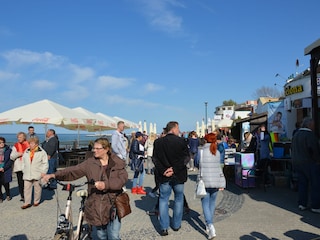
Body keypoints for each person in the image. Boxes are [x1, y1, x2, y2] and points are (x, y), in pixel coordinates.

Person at [42, 138, 128, 239]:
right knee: (101, 236)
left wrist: (106, 185)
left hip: (114, 204)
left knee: (113, 235)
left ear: (106, 149)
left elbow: (122, 180)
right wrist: (54, 175)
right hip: (96, 204)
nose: (94, 150)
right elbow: (73, 171)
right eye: (93, 148)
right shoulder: (90, 163)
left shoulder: (117, 162)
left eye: (97, 148)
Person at [152, 121, 190, 236]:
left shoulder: (158, 142)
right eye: (178, 129)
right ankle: (176, 224)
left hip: (164, 176)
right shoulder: (181, 141)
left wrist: (164, 170)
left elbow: (155, 159)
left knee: (163, 199)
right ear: (173, 129)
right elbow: (186, 158)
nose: (179, 131)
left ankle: (164, 227)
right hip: (178, 174)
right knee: (178, 198)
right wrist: (174, 169)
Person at [198, 133, 226, 239]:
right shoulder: (217, 152)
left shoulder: (201, 152)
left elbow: (197, 163)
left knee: (205, 204)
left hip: (204, 181)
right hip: (216, 181)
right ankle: (210, 223)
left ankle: (210, 225)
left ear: (205, 140)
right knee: (212, 203)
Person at [291, 117, 320, 213]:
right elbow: (314, 149)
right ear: (309, 125)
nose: (314, 126)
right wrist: (317, 160)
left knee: (302, 184)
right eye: (313, 124)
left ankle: (302, 204)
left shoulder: (296, 134)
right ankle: (315, 205)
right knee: (315, 184)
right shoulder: (309, 135)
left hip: (297, 162)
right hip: (309, 163)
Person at [21, 137, 48, 209]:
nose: (30, 145)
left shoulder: (42, 152)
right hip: (27, 173)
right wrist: (23, 169)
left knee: (37, 188)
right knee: (26, 188)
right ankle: (27, 202)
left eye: (32, 143)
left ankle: (36, 201)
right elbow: (23, 161)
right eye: (30, 143)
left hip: (37, 172)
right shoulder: (27, 151)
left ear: (36, 144)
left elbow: (45, 163)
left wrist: (43, 172)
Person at [10, 132, 30, 202]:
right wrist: (19, 154)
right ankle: (22, 196)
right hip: (19, 166)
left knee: (27, 182)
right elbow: (12, 156)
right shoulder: (15, 146)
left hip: (27, 166)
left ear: (24, 137)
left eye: (20, 137)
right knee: (20, 182)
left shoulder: (29, 145)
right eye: (18, 137)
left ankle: (27, 195)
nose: (19, 139)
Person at [0, 137, 13, 202]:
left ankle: (8, 194)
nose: (1, 144)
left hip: (5, 169)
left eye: (3, 142)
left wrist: (4, 168)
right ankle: (1, 197)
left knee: (6, 183)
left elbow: (10, 161)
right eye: (0, 143)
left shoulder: (8, 150)